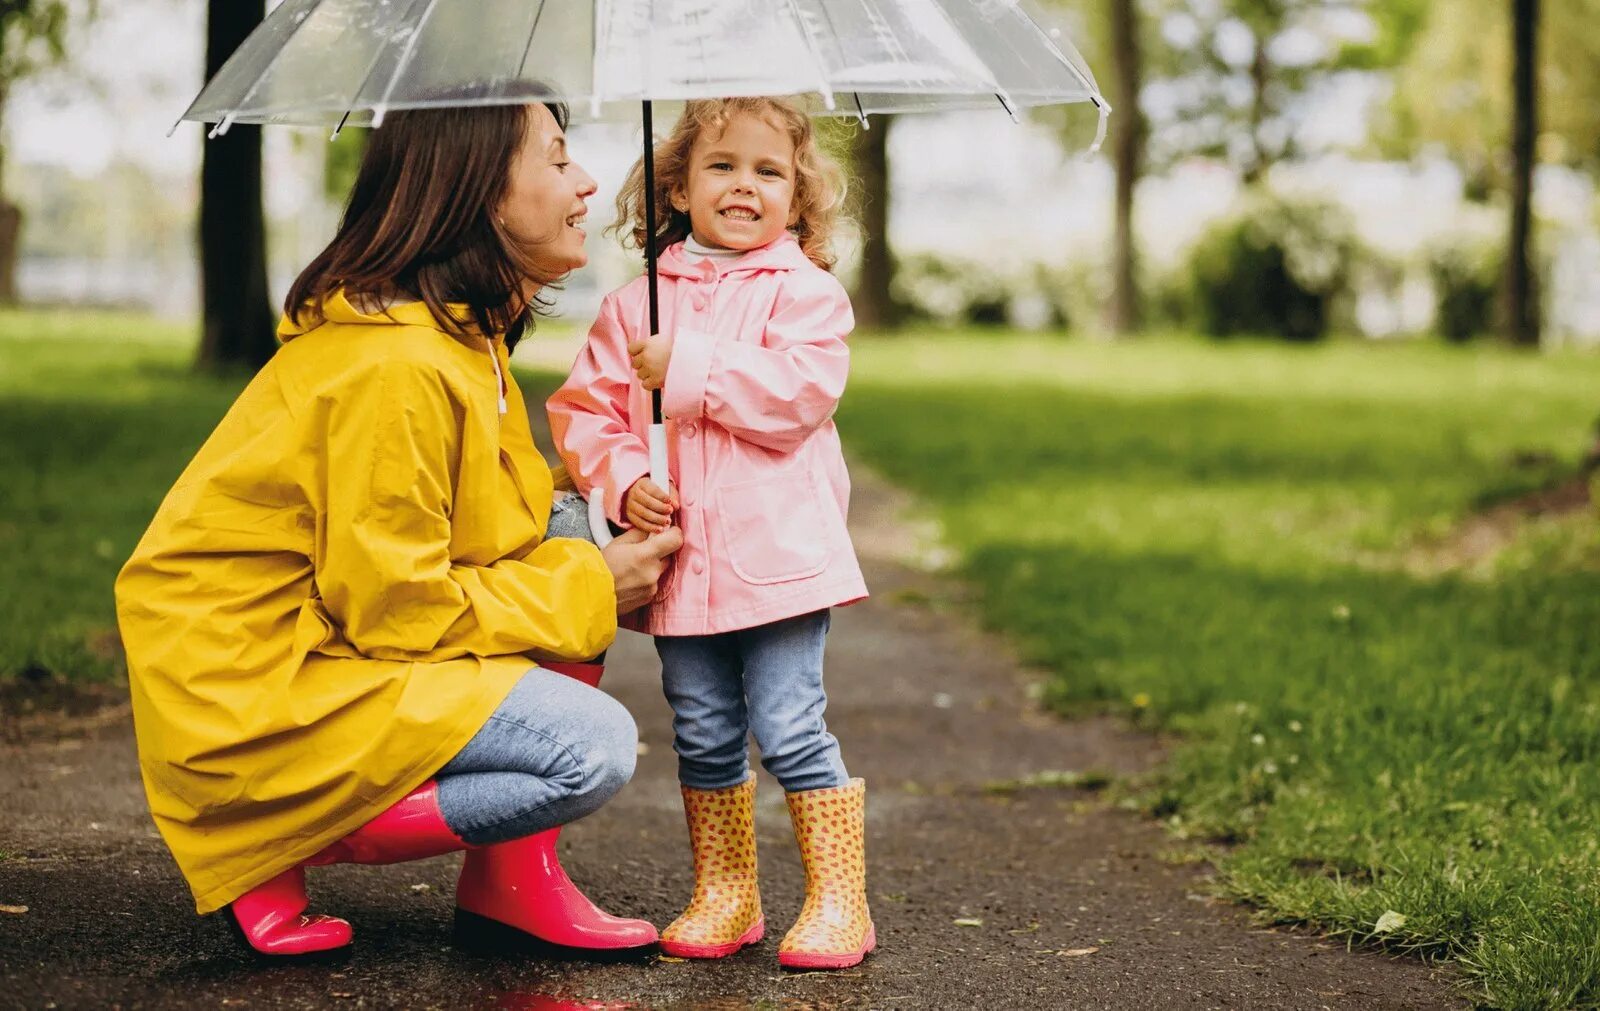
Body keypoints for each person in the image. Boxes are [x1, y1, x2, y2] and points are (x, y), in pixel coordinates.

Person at [113, 93, 683, 959]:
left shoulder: (457, 335)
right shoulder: (397, 364)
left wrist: (607, 507)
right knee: (591, 749)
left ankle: (510, 880)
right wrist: (593, 586)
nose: (587, 181)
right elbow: (398, 609)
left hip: (326, 642)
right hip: (258, 689)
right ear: (485, 190)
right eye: (559, 158)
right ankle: (270, 836)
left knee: (580, 528)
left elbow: (489, 534)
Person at [547, 97, 873, 971]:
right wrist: (626, 480)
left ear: (800, 201)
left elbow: (798, 396)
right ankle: (727, 892)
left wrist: (688, 368)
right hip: (683, 566)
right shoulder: (634, 303)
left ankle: (840, 898)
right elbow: (588, 414)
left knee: (790, 722)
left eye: (770, 172)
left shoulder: (806, 294)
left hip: (778, 563)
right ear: (678, 189)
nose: (744, 186)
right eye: (722, 166)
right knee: (702, 727)